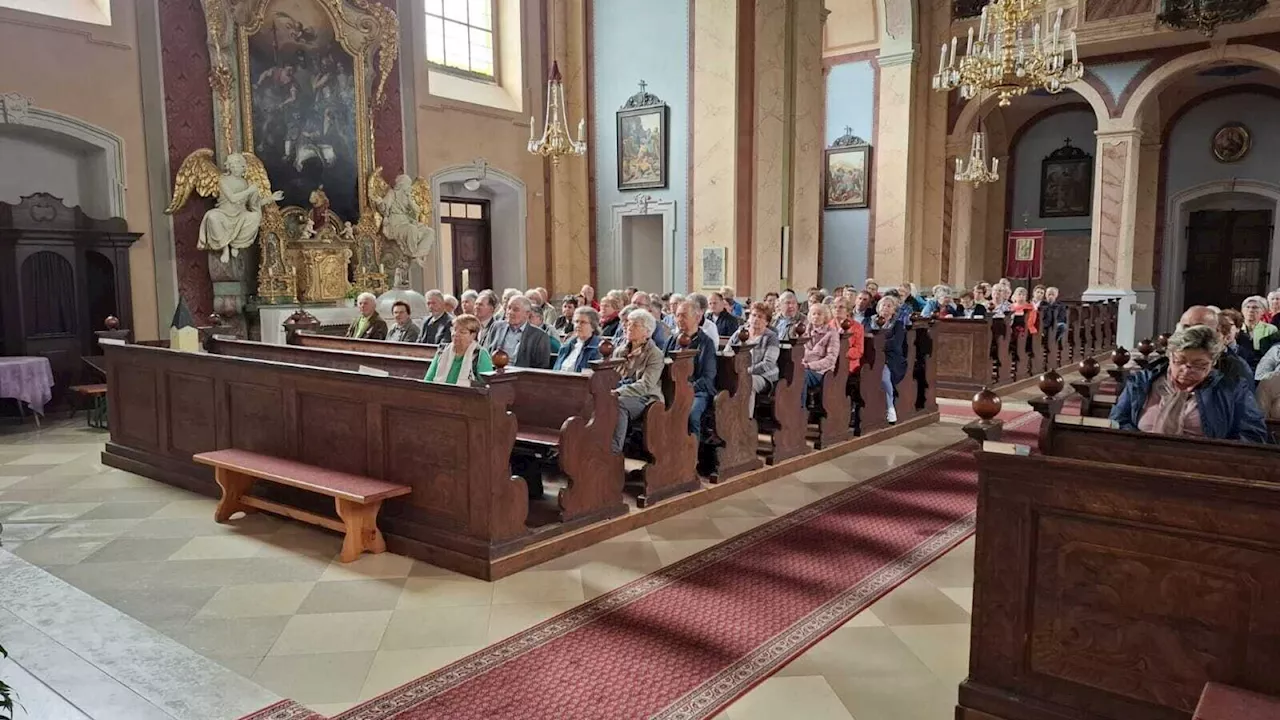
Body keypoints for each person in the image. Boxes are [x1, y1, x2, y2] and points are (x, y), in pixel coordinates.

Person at [1110, 325, 1269, 443]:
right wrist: (1139, 445)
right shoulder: (1143, 381)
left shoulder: (1232, 389)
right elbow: (1117, 420)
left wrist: (1212, 455)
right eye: (1179, 361)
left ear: (1213, 362)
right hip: (1140, 460)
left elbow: (1253, 434)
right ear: (1170, 356)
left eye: (1199, 364)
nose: (1187, 369)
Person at [611, 309, 665, 453]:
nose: (629, 327)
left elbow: (646, 385)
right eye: (628, 323)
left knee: (618, 403)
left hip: (644, 398)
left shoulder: (655, 354)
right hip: (620, 391)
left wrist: (618, 391)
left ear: (646, 332)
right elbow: (612, 376)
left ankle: (614, 452)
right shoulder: (620, 351)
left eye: (634, 325)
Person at [665, 300, 717, 435]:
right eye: (677, 316)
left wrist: (687, 389)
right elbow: (663, 365)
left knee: (691, 415)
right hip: (671, 389)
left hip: (697, 391)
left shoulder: (706, 343)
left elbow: (708, 377)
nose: (679, 320)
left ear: (697, 318)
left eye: (683, 316)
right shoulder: (671, 340)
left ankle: (692, 453)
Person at [728, 302, 781, 401]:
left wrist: (746, 371)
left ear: (767, 322)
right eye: (753, 315)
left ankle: (747, 415)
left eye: (760, 317)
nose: (755, 319)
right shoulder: (740, 332)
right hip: (738, 373)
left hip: (763, 376)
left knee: (747, 382)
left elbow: (768, 364)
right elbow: (727, 352)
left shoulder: (771, 337)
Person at [868, 296, 908, 424]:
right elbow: (864, 336)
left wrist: (878, 343)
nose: (885, 308)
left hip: (891, 359)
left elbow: (895, 344)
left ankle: (890, 407)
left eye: (889, 306)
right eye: (883, 305)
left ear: (894, 310)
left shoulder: (898, 324)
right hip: (870, 355)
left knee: (883, 375)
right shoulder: (869, 321)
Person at [485, 295, 553, 369]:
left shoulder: (539, 336)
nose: (510, 312)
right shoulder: (496, 327)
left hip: (522, 377)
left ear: (527, 314)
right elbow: (486, 354)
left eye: (515, 310)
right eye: (509, 308)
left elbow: (542, 367)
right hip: (494, 374)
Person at [424, 314, 493, 386]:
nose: (455, 334)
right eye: (454, 330)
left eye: (462, 332)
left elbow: (487, 385)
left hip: (467, 395)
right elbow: (428, 379)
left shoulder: (480, 354)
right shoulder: (443, 350)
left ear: (473, 335)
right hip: (439, 393)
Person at [801, 302, 840, 401]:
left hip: (822, 372)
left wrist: (809, 365)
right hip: (803, 367)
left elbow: (830, 360)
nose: (816, 317)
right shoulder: (803, 331)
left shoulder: (832, 333)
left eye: (819, 314)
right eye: (813, 314)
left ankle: (800, 408)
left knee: (801, 375)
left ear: (825, 316)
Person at [555, 307, 603, 372]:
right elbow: (556, 369)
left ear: (593, 326)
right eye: (576, 321)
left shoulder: (598, 348)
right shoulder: (567, 345)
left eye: (583, 322)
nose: (578, 325)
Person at [1238, 295, 1278, 367]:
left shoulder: (1271, 329)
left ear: (1263, 311)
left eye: (1255, 307)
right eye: (1247, 307)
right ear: (1242, 311)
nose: (1250, 310)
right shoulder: (1237, 328)